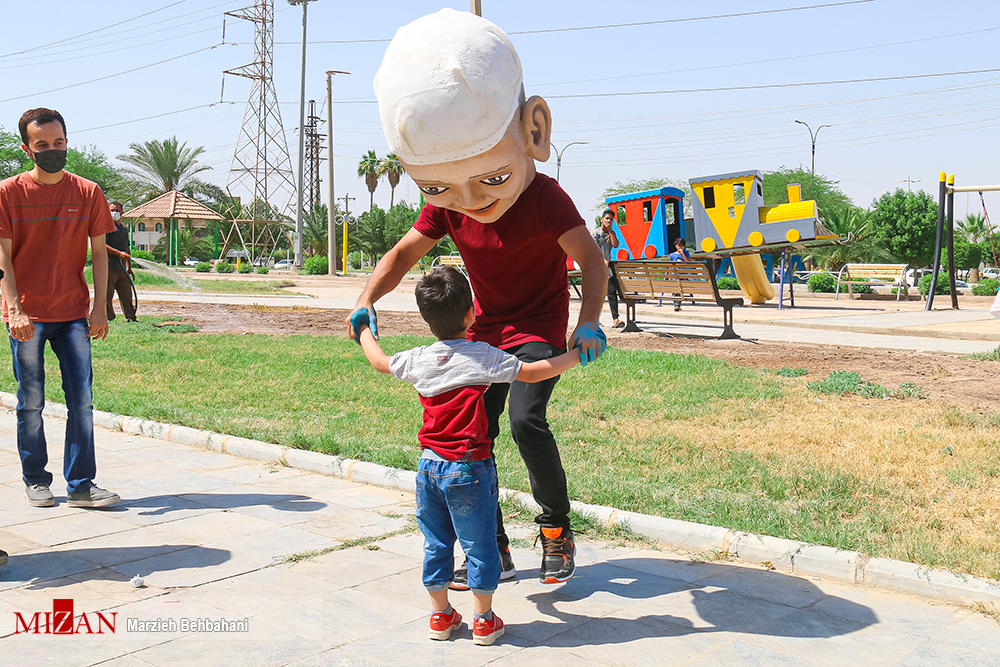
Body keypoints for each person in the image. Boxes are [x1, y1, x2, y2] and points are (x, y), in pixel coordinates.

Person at [348, 8, 608, 586]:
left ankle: (556, 530)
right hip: (483, 332)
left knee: (524, 421)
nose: (469, 199)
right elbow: (400, 256)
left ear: (530, 133)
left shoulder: (544, 198)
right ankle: (491, 547)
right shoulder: (448, 204)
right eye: (442, 185)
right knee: (472, 434)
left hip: (537, 327)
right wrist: (365, 300)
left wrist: (587, 324)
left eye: (488, 178)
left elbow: (593, 260)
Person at [358, 267, 583, 644]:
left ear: (426, 319)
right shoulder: (483, 357)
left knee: (436, 543)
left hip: (428, 468)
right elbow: (530, 373)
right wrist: (577, 356)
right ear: (471, 314)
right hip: (469, 468)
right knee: (480, 545)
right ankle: (483, 621)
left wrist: (364, 326)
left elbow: (379, 361)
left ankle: (440, 616)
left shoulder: (418, 359)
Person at [0, 107, 121, 509]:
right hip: (28, 317)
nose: (52, 151)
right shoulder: (8, 193)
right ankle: (36, 480)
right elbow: (3, 257)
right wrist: (14, 309)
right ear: (26, 149)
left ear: (67, 142)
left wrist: (100, 307)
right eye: (43, 145)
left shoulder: (87, 192)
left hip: (73, 313)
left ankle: (82, 485)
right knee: (30, 401)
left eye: (58, 143)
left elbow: (100, 254)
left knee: (81, 402)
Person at [105, 201, 136, 322]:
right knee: (107, 295)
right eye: (111, 210)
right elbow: (102, 245)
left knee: (126, 294)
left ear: (122, 213)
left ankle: (131, 317)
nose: (114, 213)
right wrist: (118, 253)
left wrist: (129, 267)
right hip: (109, 267)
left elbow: (127, 248)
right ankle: (109, 317)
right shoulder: (106, 227)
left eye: (116, 211)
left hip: (122, 268)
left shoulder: (123, 229)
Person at [593, 209, 623, 328]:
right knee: (597, 294)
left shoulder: (611, 234)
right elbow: (593, 250)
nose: (609, 221)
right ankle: (595, 319)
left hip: (607, 269)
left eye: (611, 219)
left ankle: (615, 319)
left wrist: (611, 231)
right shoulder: (596, 233)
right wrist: (602, 260)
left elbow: (616, 245)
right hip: (597, 267)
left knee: (611, 292)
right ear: (602, 219)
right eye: (607, 219)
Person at [669, 237, 692, 312]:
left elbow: (687, 262)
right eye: (679, 245)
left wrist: (682, 253)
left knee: (680, 290)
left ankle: (677, 305)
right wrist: (669, 276)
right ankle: (677, 305)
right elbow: (670, 266)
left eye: (682, 246)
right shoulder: (672, 255)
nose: (680, 247)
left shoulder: (686, 253)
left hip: (683, 276)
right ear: (676, 246)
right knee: (676, 290)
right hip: (675, 275)